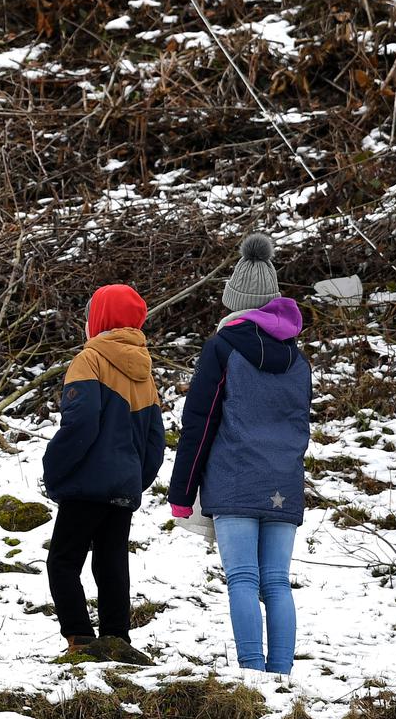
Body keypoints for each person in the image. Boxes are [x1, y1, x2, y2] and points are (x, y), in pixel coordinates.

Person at [168, 233, 311, 675]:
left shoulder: (223, 348)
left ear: (235, 301)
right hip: (283, 483)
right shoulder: (299, 359)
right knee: (277, 582)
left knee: (244, 580)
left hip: (233, 479)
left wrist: (181, 491)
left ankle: (253, 672)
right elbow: (301, 425)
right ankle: (282, 674)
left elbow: (201, 421)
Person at [40, 284, 165, 653]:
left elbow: (80, 425)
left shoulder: (89, 360)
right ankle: (116, 638)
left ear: (99, 317)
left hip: (85, 484)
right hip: (123, 486)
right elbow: (155, 441)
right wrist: (134, 479)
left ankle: (79, 637)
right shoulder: (145, 370)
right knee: (112, 564)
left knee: (63, 561)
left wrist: (55, 469)